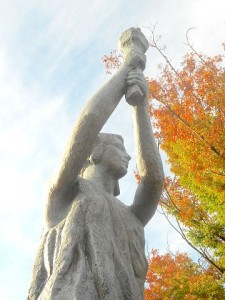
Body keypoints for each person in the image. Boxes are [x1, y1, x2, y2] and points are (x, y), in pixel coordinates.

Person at [28, 39, 164, 300]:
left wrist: (141, 107)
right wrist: (127, 67)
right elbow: (88, 124)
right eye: (119, 147)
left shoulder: (132, 217)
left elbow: (154, 179)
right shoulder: (65, 195)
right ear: (94, 152)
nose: (127, 155)